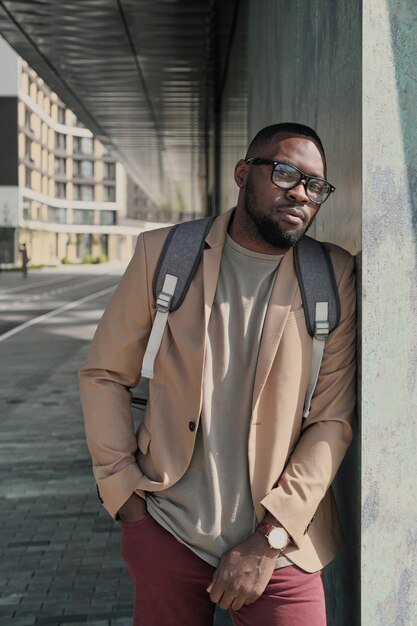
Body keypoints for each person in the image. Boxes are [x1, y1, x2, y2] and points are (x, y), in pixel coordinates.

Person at [79, 122, 356, 626]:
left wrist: (270, 538)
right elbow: (103, 374)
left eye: (315, 185)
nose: (300, 192)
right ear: (243, 172)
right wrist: (126, 502)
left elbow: (331, 420)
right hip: (167, 529)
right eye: (286, 172)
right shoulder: (162, 255)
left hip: (281, 543)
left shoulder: (332, 277)